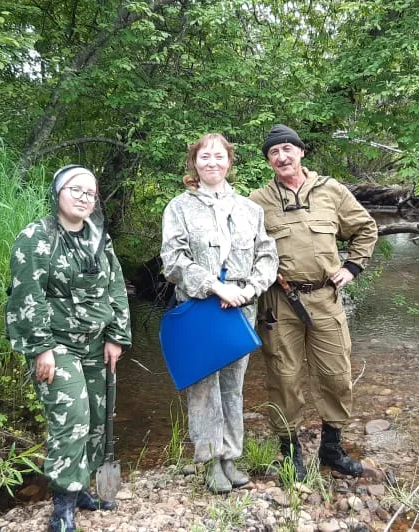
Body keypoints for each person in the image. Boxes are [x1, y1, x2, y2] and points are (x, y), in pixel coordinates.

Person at [248, 124, 378, 480]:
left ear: (301, 152)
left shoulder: (331, 190)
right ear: (269, 161)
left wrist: (352, 266)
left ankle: (332, 449)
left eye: (287, 149)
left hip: (325, 298)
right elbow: (237, 243)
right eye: (274, 152)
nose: (282, 156)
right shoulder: (257, 201)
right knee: (284, 378)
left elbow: (366, 228)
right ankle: (290, 453)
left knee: (336, 374)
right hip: (279, 303)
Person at [5, 165, 131, 532]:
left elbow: (117, 287)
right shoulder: (36, 237)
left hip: (97, 344)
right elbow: (25, 297)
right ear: (58, 192)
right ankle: (62, 504)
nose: (83, 198)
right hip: (56, 345)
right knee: (71, 417)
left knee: (95, 416)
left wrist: (116, 336)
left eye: (90, 193)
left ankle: (80, 488)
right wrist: (40, 347)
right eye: (75, 190)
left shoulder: (98, 237)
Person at [160, 133, 278, 493]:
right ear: (194, 163)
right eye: (204, 157)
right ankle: (210, 460)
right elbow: (173, 260)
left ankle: (231, 456)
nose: (212, 163)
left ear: (230, 162)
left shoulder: (250, 209)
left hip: (240, 308)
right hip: (200, 304)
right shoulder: (179, 207)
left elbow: (268, 257)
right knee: (203, 386)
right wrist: (215, 286)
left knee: (233, 386)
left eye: (219, 157)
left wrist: (247, 291)